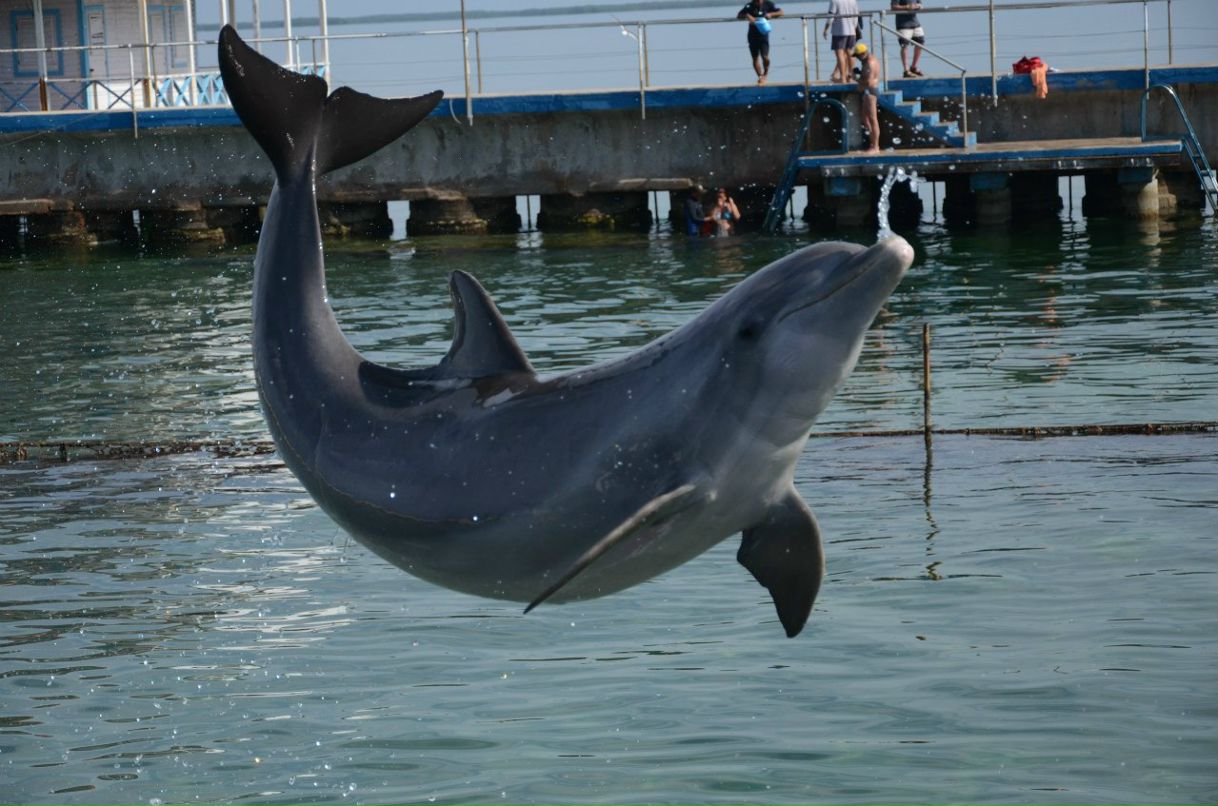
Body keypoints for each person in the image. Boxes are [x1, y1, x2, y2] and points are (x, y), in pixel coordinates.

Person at [737, 1, 783, 85]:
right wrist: (747, 16)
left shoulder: (768, 4)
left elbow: (781, 12)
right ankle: (760, 76)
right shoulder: (749, 5)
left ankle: (765, 73)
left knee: (765, 57)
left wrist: (771, 14)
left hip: (763, 34)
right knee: (755, 58)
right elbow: (739, 15)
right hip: (752, 35)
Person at [822, 0, 860, 84]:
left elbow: (830, 16)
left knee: (840, 53)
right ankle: (851, 76)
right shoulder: (853, 1)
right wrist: (853, 27)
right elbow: (856, 15)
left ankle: (843, 77)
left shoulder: (835, 1)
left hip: (839, 30)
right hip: (851, 30)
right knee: (850, 52)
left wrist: (825, 29)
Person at [853, 42, 880, 153]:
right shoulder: (867, 60)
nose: (858, 58)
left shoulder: (870, 63)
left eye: (858, 56)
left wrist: (855, 78)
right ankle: (872, 142)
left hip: (871, 92)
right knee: (865, 117)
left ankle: (875, 147)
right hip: (867, 92)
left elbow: (868, 82)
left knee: (873, 119)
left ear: (863, 53)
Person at [890, 0, 925, 77]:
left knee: (920, 43)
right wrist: (907, 7)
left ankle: (913, 67)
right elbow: (893, 7)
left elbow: (920, 4)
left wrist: (918, 6)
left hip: (915, 23)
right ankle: (906, 70)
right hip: (903, 24)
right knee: (904, 45)